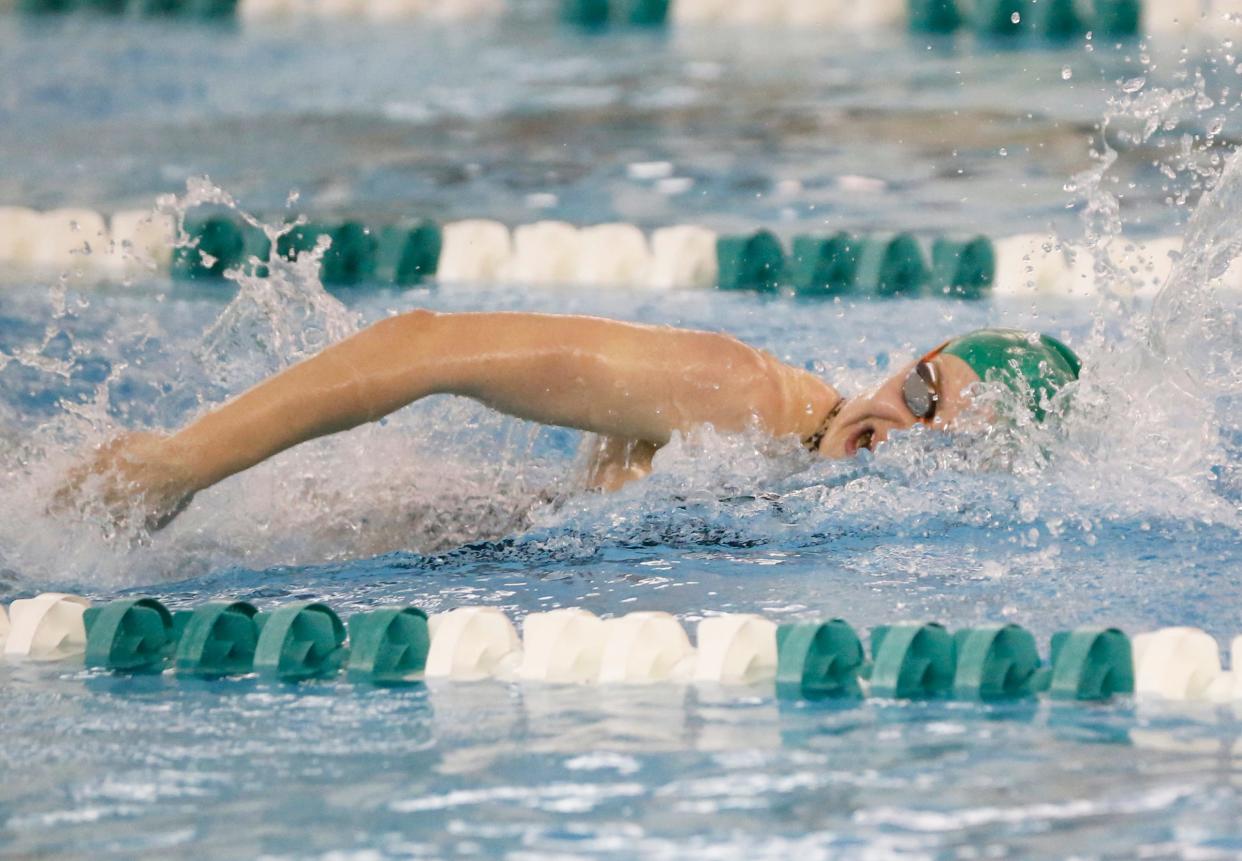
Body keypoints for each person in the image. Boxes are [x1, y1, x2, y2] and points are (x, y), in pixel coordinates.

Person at [56, 311, 1081, 530]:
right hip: (428, 551)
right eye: (922, 395)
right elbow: (421, 346)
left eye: (949, 444)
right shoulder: (740, 396)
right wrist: (179, 461)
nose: (900, 430)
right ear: (913, 358)